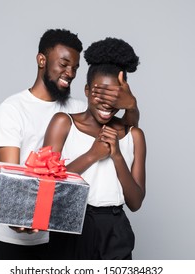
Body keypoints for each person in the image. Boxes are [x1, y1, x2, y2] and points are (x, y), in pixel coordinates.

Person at [0, 29, 140, 260]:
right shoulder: (13, 109)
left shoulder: (79, 108)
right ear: (42, 60)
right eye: (64, 64)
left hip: (60, 227)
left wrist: (131, 105)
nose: (70, 73)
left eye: (75, 68)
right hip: (18, 232)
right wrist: (18, 217)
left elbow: (126, 132)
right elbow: (10, 175)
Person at [43, 37, 146, 259]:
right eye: (100, 94)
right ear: (87, 90)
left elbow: (135, 202)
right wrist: (92, 155)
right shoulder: (64, 123)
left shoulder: (134, 135)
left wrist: (117, 156)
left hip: (115, 229)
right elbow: (45, 186)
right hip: (70, 225)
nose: (107, 104)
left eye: (114, 96)